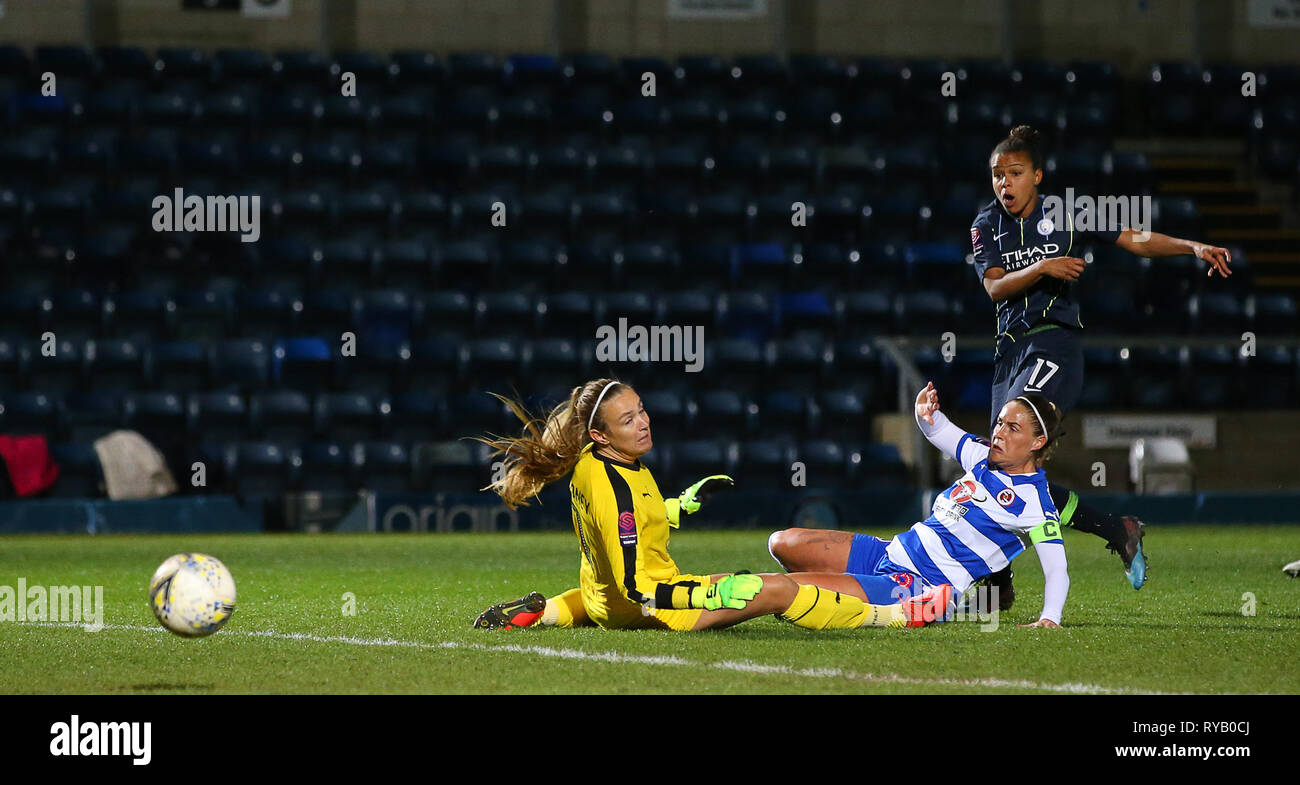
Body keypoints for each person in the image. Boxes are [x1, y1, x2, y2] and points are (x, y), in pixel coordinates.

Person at [968, 125, 1233, 600]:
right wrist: (1044, 267)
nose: (1004, 184)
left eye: (1015, 173)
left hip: (1054, 345)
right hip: (1009, 353)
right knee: (997, 466)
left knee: (1009, 458)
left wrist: (1191, 247)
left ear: (1038, 175)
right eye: (997, 175)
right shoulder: (986, 224)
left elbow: (1135, 237)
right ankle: (1114, 530)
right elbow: (994, 287)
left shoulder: (1067, 213)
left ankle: (998, 581)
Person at [471, 378, 954, 632]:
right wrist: (706, 597)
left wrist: (674, 508)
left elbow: (629, 526)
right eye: (628, 419)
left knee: (741, 583)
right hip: (649, 605)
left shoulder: (596, 461)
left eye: (641, 409)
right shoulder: (613, 482)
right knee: (774, 590)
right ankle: (896, 616)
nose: (643, 422)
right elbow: (638, 585)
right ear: (600, 434)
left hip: (597, 601)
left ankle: (545, 612)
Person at [770, 383, 1070, 628]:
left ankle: (875, 604)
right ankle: (838, 595)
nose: (999, 433)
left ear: (1037, 442)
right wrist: (924, 411)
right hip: (891, 552)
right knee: (783, 542)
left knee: (784, 588)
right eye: (1000, 422)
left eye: (1013, 429)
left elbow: (1056, 567)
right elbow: (938, 430)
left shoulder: (1035, 504)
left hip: (920, 585)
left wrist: (1049, 617)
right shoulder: (982, 458)